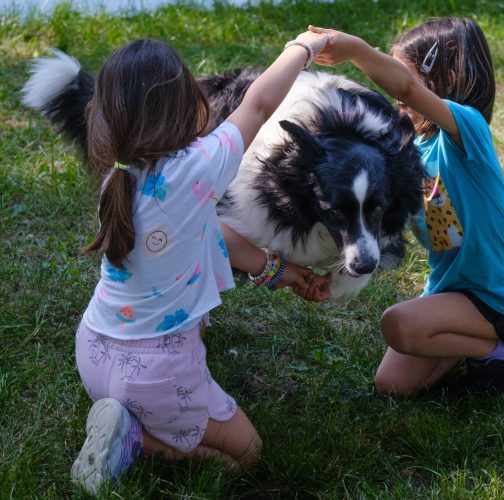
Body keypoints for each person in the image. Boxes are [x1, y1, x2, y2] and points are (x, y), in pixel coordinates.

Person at [70, 33, 330, 494]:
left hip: (93, 350)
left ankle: (123, 411)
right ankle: (137, 439)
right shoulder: (197, 166)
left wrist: (281, 273)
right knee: (247, 455)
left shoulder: (118, 179)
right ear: (185, 103)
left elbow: (218, 236)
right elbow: (259, 103)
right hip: (156, 373)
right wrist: (304, 49)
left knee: (195, 324)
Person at [308, 18, 504, 397]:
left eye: (404, 76)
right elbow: (377, 228)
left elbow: (405, 88)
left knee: (398, 325)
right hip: (447, 292)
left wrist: (354, 49)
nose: (396, 93)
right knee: (392, 385)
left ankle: (502, 349)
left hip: (493, 296)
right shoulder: (409, 152)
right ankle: (473, 337)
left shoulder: (466, 133)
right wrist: (333, 277)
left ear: (447, 75)